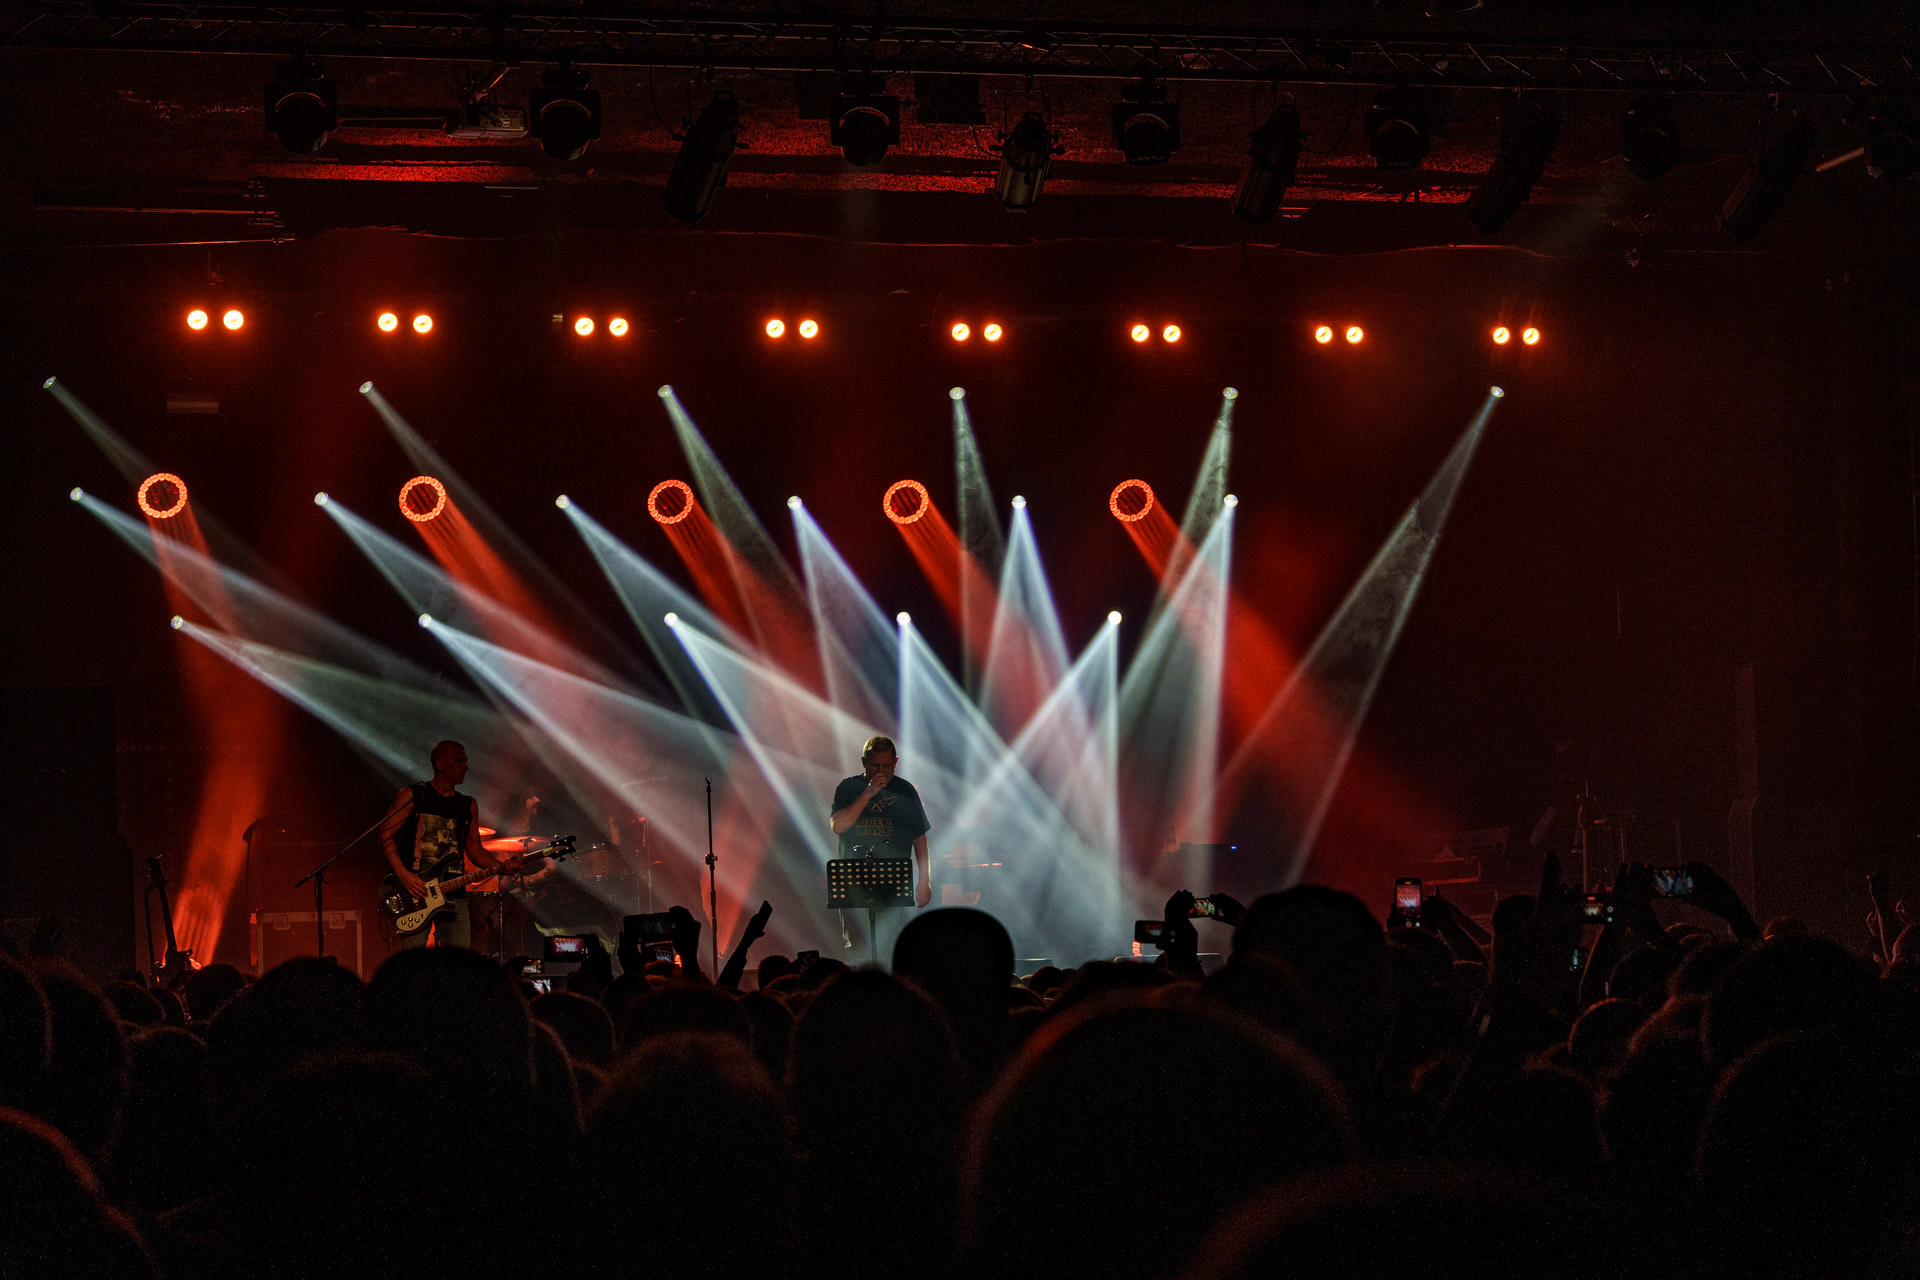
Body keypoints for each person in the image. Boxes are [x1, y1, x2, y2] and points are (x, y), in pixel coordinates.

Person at [378, 740, 529, 950]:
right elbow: (385, 835)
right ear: (440, 763)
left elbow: (475, 850)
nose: (466, 767)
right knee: (413, 963)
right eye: (460, 761)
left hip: (454, 894)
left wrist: (501, 867)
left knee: (459, 961)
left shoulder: (467, 805)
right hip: (415, 893)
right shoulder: (414, 796)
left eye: (466, 761)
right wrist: (404, 875)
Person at [829, 737, 933, 951]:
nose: (881, 771)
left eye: (886, 765)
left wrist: (924, 881)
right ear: (864, 762)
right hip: (854, 883)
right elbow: (838, 826)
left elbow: (919, 840)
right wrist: (868, 793)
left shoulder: (905, 791)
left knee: (892, 946)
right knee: (857, 949)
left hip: (893, 883)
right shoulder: (849, 788)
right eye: (875, 765)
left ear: (895, 762)